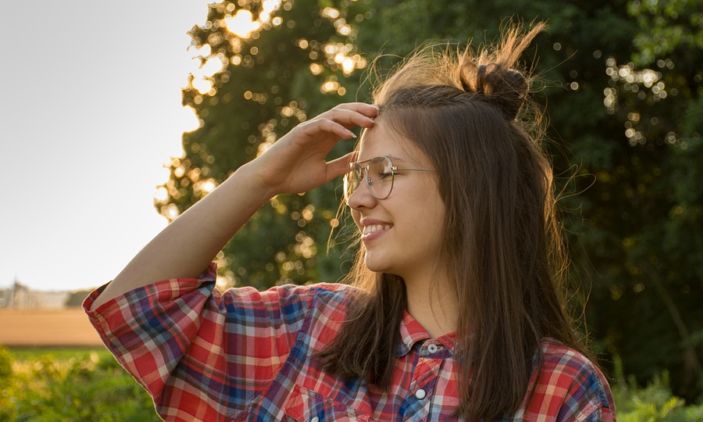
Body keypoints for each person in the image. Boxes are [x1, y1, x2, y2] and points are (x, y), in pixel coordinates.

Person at [85, 23, 615, 421]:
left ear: (470, 188)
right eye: (356, 176)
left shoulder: (561, 387)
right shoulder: (309, 327)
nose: (358, 199)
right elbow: (137, 313)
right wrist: (263, 177)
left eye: (383, 172)